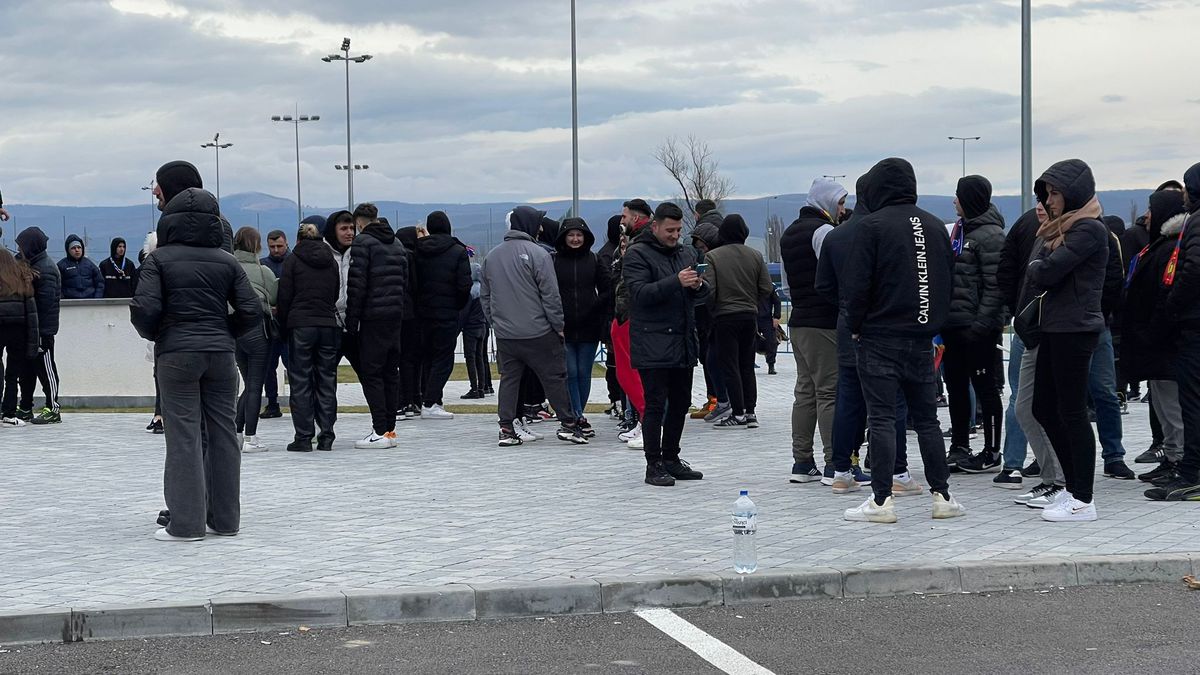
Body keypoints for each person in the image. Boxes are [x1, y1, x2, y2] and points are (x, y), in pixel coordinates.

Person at [130, 160, 260, 541]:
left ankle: (185, 524)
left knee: (184, 435)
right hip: (221, 354)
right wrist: (224, 332)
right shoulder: (227, 259)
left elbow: (144, 310)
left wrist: (161, 335)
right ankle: (225, 520)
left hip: (177, 354)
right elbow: (252, 310)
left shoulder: (159, 259)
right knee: (223, 434)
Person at [842, 157, 965, 522]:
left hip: (879, 336)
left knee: (880, 418)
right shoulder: (934, 226)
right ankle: (942, 496)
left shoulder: (873, 226)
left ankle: (881, 502)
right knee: (927, 420)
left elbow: (856, 287)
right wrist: (932, 322)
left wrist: (856, 325)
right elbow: (947, 281)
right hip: (922, 337)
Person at [815, 175, 917, 496]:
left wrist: (848, 308)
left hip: (848, 327)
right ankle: (897, 472)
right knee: (893, 403)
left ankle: (841, 470)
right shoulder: (888, 232)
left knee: (848, 400)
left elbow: (824, 288)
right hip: (885, 330)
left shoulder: (836, 236)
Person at [1026, 159, 1109, 522]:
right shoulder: (1061, 230)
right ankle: (1069, 487)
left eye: (1055, 192)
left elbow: (1047, 271)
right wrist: (1039, 268)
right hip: (1056, 326)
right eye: (1047, 192)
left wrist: (1038, 268)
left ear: (1073, 192)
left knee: (1072, 411)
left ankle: (1083, 498)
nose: (1049, 200)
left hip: (1075, 328)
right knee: (1043, 406)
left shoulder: (1087, 229)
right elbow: (1043, 268)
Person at [481, 206, 588, 447]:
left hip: (506, 335)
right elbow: (550, 294)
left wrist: (496, 322)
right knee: (554, 378)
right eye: (538, 222)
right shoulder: (538, 254)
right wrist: (558, 325)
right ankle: (568, 424)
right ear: (529, 225)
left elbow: (485, 297)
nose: (541, 228)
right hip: (539, 332)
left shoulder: (492, 256)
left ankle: (506, 427)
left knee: (509, 380)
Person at [624, 202, 709, 486]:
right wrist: (676, 281)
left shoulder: (686, 252)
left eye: (678, 230)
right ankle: (654, 464)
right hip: (653, 341)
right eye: (669, 230)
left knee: (681, 403)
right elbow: (639, 294)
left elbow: (698, 295)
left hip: (683, 340)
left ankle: (672, 457)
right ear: (655, 226)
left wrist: (699, 286)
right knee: (656, 404)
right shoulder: (637, 253)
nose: (675, 235)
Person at [780, 178, 846, 482]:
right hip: (824, 322)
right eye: (841, 203)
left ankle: (802, 461)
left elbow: (788, 285)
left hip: (799, 321)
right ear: (827, 202)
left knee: (804, 391)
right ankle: (835, 462)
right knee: (829, 391)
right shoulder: (824, 232)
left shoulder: (789, 233)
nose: (842, 209)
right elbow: (837, 276)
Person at [941, 176, 1006, 473]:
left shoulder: (991, 235)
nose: (954, 201)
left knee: (985, 387)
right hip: (954, 326)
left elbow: (996, 286)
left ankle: (992, 450)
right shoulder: (958, 232)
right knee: (955, 387)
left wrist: (981, 325)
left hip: (977, 328)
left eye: (958, 196)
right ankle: (960, 444)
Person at [1123, 190, 1187, 486]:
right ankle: (1172, 456)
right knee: (1161, 403)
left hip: (1164, 341)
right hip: (1151, 339)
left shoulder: (1171, 249)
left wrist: (1153, 330)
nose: (1146, 215)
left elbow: (1163, 295)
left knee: (1172, 406)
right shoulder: (1159, 247)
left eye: (1151, 209)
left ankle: (1180, 459)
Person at [346, 203, 409, 449]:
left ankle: (379, 429)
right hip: (395, 315)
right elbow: (404, 281)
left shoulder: (363, 243)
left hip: (372, 317)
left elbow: (357, 285)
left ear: (359, 221)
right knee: (390, 373)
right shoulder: (396, 243)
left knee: (372, 373)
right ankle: (390, 429)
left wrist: (352, 322)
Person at [702, 213, 772, 430]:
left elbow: (710, 290)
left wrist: (713, 310)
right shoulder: (755, 255)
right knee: (746, 366)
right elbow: (767, 287)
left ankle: (738, 413)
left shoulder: (713, 257)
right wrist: (753, 302)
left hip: (724, 318)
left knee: (729, 366)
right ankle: (751, 413)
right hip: (749, 316)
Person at [1156, 162, 1200, 500]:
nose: (1183, 193)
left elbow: (1193, 270)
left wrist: (1172, 304)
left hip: (1192, 325)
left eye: (1186, 186)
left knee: (1192, 402)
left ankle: (1191, 473)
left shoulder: (1197, 223)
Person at [277, 222, 340, 452]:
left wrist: (284, 326)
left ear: (298, 240)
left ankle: (303, 437)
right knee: (327, 379)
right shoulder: (331, 261)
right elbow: (335, 292)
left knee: (301, 381)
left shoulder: (292, 261)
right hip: (326, 324)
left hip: (301, 325)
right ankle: (327, 434)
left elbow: (285, 296)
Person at [552, 217, 611, 434]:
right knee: (570, 371)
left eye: (579, 235)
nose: (575, 239)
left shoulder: (594, 260)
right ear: (563, 237)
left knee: (584, 372)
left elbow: (607, 289)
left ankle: (579, 413)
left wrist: (595, 306)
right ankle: (575, 415)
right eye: (571, 235)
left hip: (589, 326)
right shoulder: (554, 261)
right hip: (563, 326)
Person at [413, 211, 471, 420]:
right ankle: (430, 403)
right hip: (447, 312)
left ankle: (431, 400)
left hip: (423, 312)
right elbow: (464, 285)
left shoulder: (418, 250)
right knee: (443, 360)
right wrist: (457, 306)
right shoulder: (457, 251)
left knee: (427, 358)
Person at [611, 199, 654, 448]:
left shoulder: (642, 244)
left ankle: (648, 423)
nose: (622, 220)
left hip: (633, 314)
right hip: (626, 312)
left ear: (636, 218)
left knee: (633, 372)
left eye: (625, 216)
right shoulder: (632, 243)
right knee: (626, 372)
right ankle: (641, 421)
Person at [231, 227, 277, 453]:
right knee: (255, 386)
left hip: (235, 332)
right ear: (257, 246)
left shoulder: (228, 268)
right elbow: (274, 296)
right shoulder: (263, 271)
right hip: (258, 331)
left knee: (248, 384)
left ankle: (237, 433)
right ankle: (251, 437)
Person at [11, 227, 61, 425]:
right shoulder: (30, 264)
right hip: (30, 329)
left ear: (30, 247)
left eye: (21, 247)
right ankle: (25, 407)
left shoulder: (46, 269)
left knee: (45, 368)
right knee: (27, 369)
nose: (19, 250)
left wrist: (38, 331)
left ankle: (53, 407)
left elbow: (44, 305)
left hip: (42, 330)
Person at [0, 245, 38, 427]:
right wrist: (33, 338)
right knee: (12, 374)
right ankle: (9, 412)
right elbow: (31, 310)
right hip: (18, 330)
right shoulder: (22, 276)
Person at [259, 229, 291, 419]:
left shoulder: (293, 262)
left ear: (286, 243)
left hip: (288, 324)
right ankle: (272, 403)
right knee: (268, 367)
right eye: (272, 247)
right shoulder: (263, 265)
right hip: (270, 325)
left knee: (293, 366)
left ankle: (298, 401)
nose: (276, 250)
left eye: (279, 246)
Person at [394, 226, 424, 418]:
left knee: (401, 359)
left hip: (399, 312)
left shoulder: (398, 255)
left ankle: (404, 400)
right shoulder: (414, 257)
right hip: (413, 313)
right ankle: (414, 398)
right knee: (413, 359)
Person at [323, 210, 358, 372]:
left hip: (356, 326)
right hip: (331, 326)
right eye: (344, 229)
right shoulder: (323, 254)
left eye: (352, 228)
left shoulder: (359, 252)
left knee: (369, 374)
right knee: (327, 377)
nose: (349, 233)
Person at [598, 214, 624, 416]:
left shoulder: (607, 252)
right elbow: (608, 286)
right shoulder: (609, 254)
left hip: (611, 313)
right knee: (615, 363)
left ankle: (617, 398)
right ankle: (617, 398)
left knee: (615, 362)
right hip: (612, 314)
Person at [460, 262, 490, 399]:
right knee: (480, 358)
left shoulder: (470, 291)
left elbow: (464, 313)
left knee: (470, 358)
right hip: (483, 326)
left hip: (471, 328)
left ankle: (474, 388)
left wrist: (460, 325)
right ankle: (482, 387)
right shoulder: (484, 289)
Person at [57, 234, 104, 299]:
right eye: (73, 248)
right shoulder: (61, 265)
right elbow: (56, 285)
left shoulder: (90, 264)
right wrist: (63, 300)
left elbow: (100, 283)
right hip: (69, 304)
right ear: (68, 250)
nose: (77, 250)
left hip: (89, 302)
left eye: (79, 247)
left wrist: (97, 298)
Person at [757, 287, 782, 375]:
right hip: (752, 317)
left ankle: (771, 365)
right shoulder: (749, 283)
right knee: (749, 342)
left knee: (771, 342)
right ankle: (748, 365)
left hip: (766, 318)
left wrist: (776, 316)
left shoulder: (768, 285)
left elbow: (777, 302)